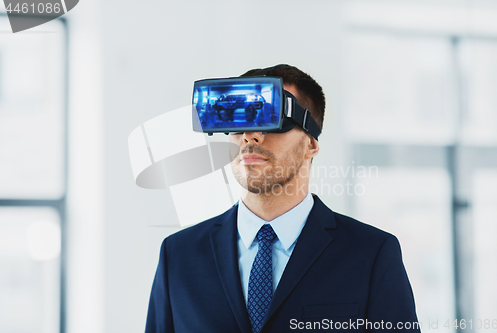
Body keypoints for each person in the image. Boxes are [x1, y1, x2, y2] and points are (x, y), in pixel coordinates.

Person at [145, 64, 420, 333]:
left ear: (310, 144)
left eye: (271, 121)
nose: (250, 137)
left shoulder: (371, 255)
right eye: (238, 121)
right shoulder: (179, 257)